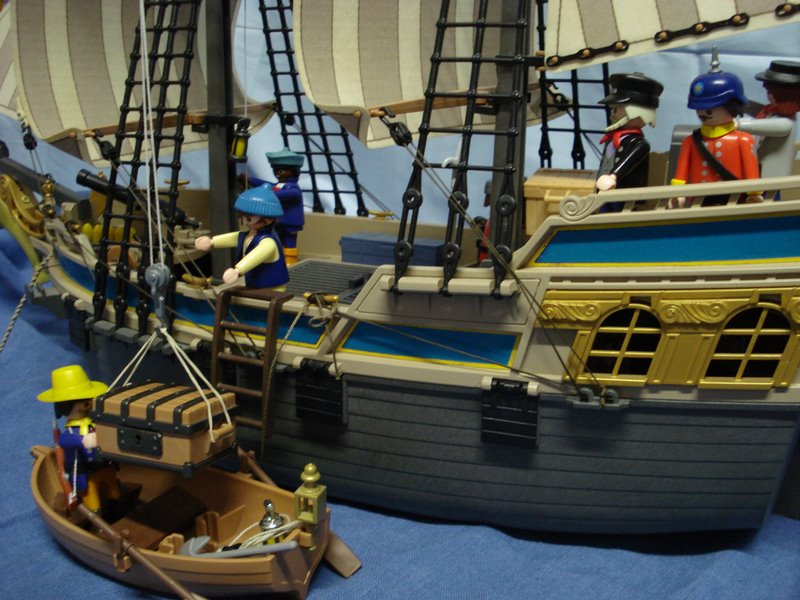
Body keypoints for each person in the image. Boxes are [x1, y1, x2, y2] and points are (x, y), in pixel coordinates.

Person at [671, 53, 760, 207]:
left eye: (709, 110)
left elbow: (750, 170)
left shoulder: (743, 140)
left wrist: (754, 194)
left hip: (734, 198)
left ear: (732, 106)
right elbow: (681, 173)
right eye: (699, 109)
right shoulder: (691, 141)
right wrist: (677, 194)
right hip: (699, 199)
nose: (702, 114)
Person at [37, 365, 120, 512]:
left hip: (105, 466)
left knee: (114, 492)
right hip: (86, 474)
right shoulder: (70, 432)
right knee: (93, 501)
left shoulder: (95, 422)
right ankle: (97, 515)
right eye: (84, 402)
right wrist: (82, 441)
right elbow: (64, 440)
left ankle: (118, 505)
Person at [194, 185, 289, 289]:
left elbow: (257, 255)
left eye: (248, 218)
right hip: (256, 284)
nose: (243, 221)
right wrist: (212, 241)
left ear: (267, 219)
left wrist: (238, 270)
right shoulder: (250, 235)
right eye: (241, 216)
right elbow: (235, 237)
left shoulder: (268, 242)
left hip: (272, 288)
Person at [595, 72, 664, 212]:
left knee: (618, 214)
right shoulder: (612, 138)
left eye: (616, 109)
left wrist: (613, 177)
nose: (612, 114)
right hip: (605, 192)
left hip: (624, 194)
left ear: (636, 112)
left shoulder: (639, 144)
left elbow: (628, 162)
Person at [738, 60, 800, 179]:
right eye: (768, 91)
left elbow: (761, 126)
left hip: (770, 176)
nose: (769, 95)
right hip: (758, 167)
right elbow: (755, 109)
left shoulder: (786, 124)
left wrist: (736, 124)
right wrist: (736, 103)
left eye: (773, 92)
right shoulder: (771, 111)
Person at [265, 148, 305, 265]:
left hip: (290, 223)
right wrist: (251, 180)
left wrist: (268, 194)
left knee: (289, 242)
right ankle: (278, 261)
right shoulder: (280, 185)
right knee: (276, 240)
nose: (278, 173)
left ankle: (290, 262)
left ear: (293, 171)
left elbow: (288, 194)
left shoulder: (293, 188)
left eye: (281, 171)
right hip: (278, 221)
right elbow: (268, 185)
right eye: (275, 170)